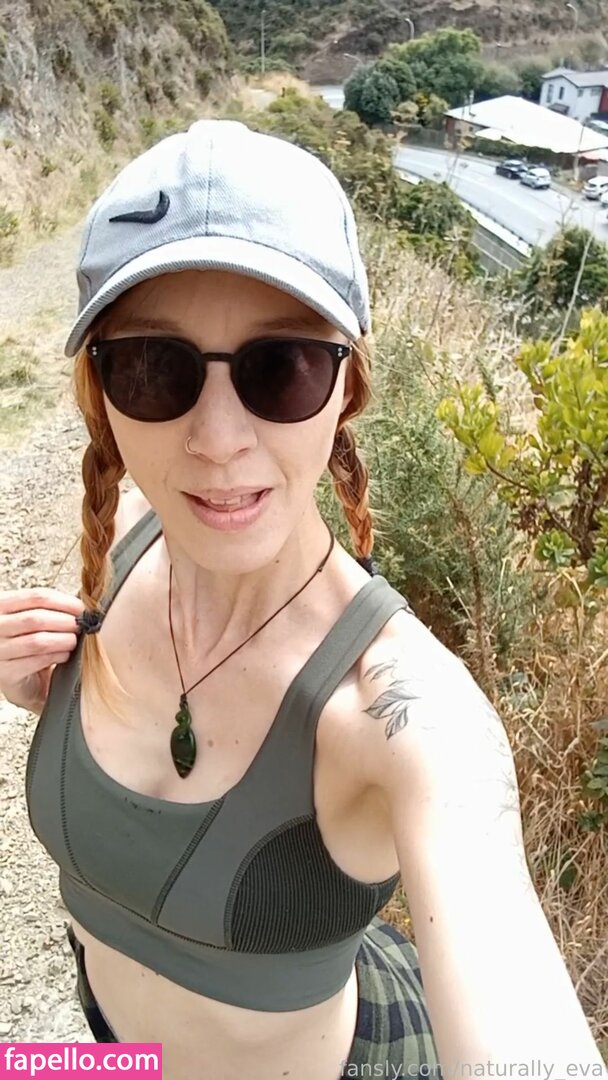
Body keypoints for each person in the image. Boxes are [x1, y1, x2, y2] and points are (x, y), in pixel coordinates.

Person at [0, 119, 605, 1080]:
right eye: (153, 368)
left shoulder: (407, 716)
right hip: (115, 1055)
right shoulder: (127, 546)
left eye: (281, 367)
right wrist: (60, 701)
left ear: (346, 386)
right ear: (99, 390)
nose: (216, 440)